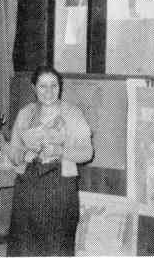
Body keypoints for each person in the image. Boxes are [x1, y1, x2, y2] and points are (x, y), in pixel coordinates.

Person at [6, 66, 93, 256]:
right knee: (23, 248)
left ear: (60, 87)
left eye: (54, 86)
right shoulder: (25, 113)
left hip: (60, 187)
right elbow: (12, 152)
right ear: (34, 88)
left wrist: (60, 151)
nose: (49, 92)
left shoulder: (73, 114)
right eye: (43, 86)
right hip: (27, 188)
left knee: (56, 248)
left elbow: (87, 153)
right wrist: (23, 155)